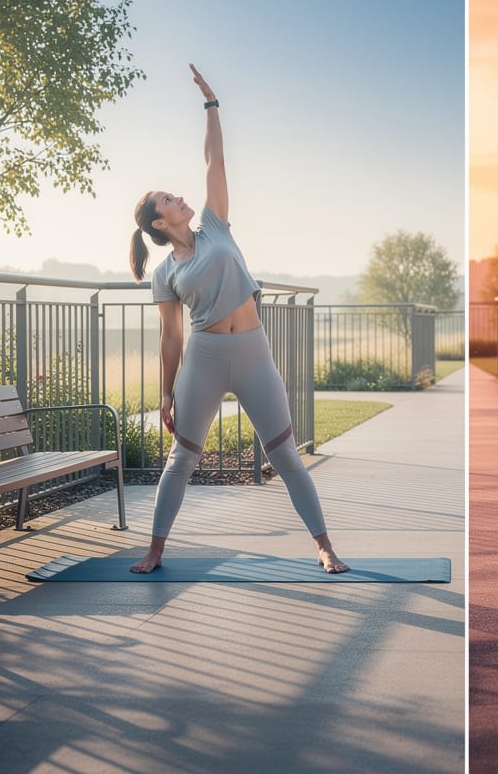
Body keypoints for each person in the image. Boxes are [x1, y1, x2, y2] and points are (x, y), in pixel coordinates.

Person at [127, 64, 348, 575]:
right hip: (203, 361)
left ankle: (324, 546)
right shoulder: (164, 273)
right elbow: (171, 335)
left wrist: (211, 103)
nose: (178, 197)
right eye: (167, 200)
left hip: (252, 354)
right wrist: (165, 393)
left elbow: (215, 160)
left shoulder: (215, 226)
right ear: (161, 223)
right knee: (181, 461)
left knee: (287, 456)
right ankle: (155, 550)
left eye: (175, 194)